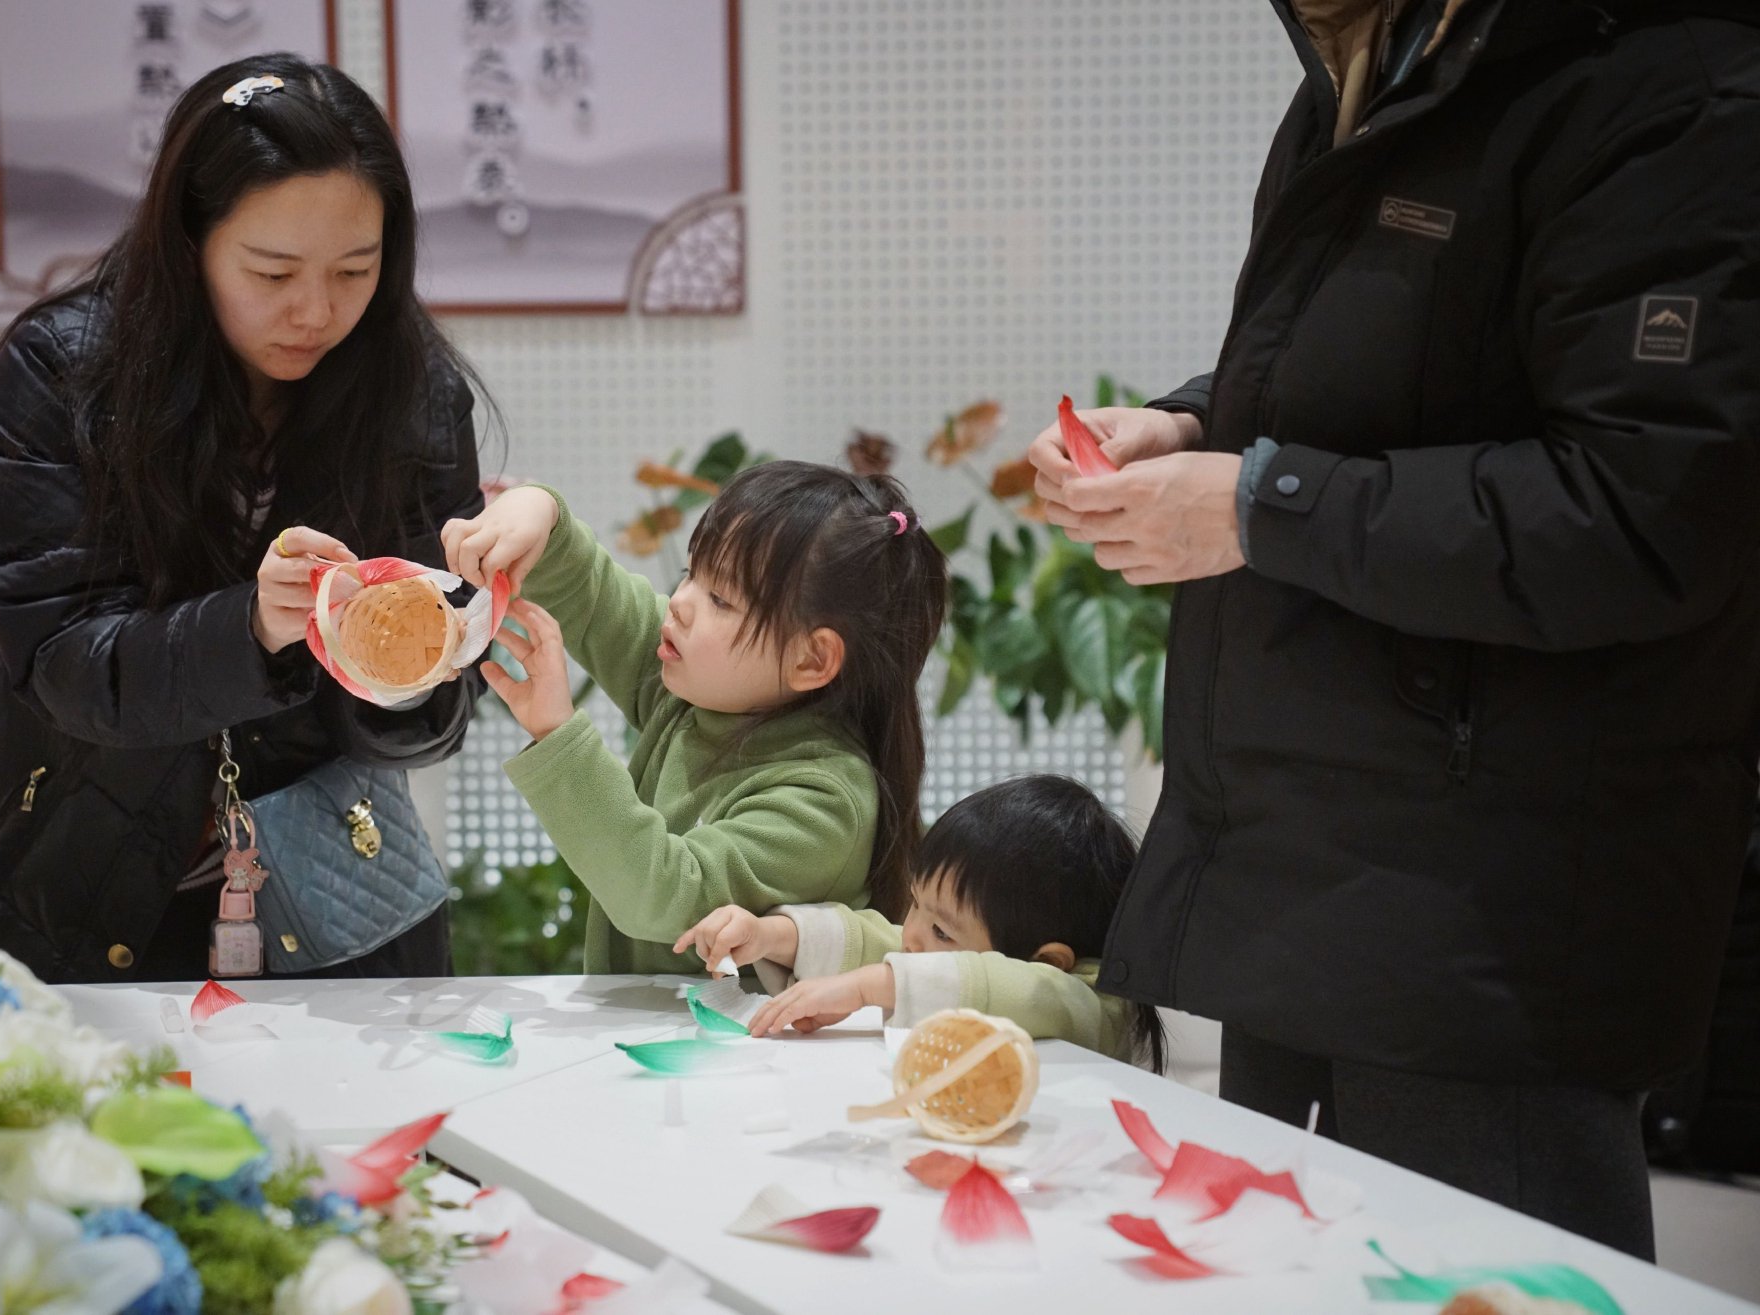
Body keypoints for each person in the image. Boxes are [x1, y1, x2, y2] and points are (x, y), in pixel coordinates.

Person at [1027, 0, 1760, 1258]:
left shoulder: (1667, 84)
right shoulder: (1373, 60)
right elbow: (1394, 385)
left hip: (1484, 930)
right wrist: (1197, 427)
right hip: (1310, 879)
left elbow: (1640, 515)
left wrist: (1265, 509)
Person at [0, 55, 489, 982]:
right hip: (68, 870)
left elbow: (425, 719)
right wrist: (251, 628)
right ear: (189, 239)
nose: (316, 310)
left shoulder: (410, 395)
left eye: (355, 269)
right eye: (273, 269)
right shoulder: (65, 377)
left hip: (326, 905)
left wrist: (420, 655)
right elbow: (62, 662)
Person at [440, 463, 947, 972]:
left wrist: (557, 732)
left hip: (744, 1050)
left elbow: (660, 895)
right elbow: (591, 595)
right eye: (690, 574)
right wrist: (539, 510)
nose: (680, 603)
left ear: (811, 660)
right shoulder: (708, 685)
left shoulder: (825, 801)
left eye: (720, 598)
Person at [676, 774, 1168, 1072]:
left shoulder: (1089, 1008)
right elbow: (886, 943)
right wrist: (772, 936)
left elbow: (1011, 987)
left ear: (1048, 961)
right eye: (916, 904)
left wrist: (870, 987)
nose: (911, 934)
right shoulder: (938, 948)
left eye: (942, 931)